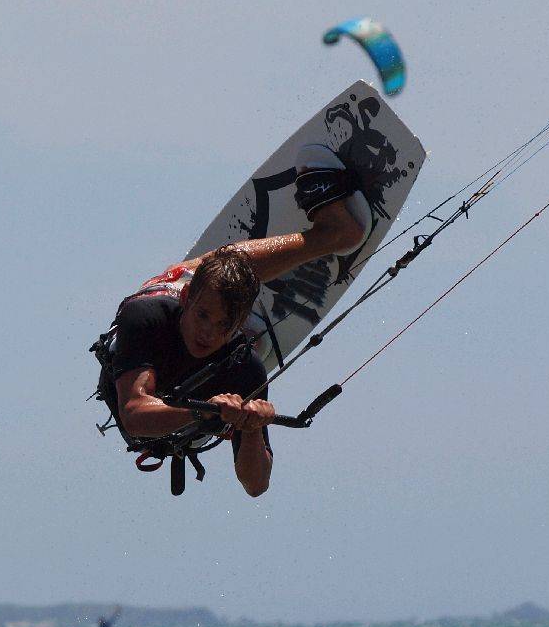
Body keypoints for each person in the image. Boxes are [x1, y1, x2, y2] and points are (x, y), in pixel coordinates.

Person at [97, 189, 366, 497]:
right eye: (203, 315)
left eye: (224, 325)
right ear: (187, 299)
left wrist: (251, 430)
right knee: (213, 270)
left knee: (225, 283)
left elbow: (256, 485)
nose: (208, 333)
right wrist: (203, 412)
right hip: (138, 392)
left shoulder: (246, 367)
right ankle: (331, 235)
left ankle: (238, 313)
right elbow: (133, 414)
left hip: (187, 432)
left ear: (239, 325)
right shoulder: (145, 317)